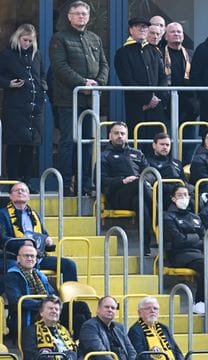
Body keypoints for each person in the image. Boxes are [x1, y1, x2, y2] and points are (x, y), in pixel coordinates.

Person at [50, 0, 108, 196]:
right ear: (69, 16)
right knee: (68, 143)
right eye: (77, 13)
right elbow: (60, 67)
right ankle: (66, 186)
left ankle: (85, 185)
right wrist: (83, 82)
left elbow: (104, 65)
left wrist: (97, 84)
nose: (81, 16)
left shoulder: (94, 38)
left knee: (88, 143)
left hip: (91, 101)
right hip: (68, 100)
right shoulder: (60, 38)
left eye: (84, 13)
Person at [0, 182, 78, 280]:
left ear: (28, 197)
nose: (20, 192)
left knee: (69, 265)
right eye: (16, 190)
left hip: (37, 257)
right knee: (19, 267)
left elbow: (43, 234)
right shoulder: (2, 214)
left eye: (23, 190)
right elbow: (2, 238)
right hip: (14, 257)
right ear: (10, 196)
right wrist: (23, 242)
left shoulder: (35, 214)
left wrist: (48, 240)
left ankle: (70, 294)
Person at [0, 23, 46, 185]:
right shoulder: (7, 55)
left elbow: (42, 75)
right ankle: (13, 183)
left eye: (30, 41)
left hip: (34, 108)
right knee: (14, 145)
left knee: (30, 146)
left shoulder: (37, 55)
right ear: (17, 38)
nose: (27, 44)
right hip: (15, 107)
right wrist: (8, 84)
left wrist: (43, 88)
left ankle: (25, 183)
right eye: (25, 40)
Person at [101, 122, 154, 255]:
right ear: (110, 136)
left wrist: (141, 180)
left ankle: (145, 245)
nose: (120, 136)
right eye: (116, 133)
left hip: (139, 192)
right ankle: (157, 212)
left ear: (127, 136)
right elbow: (100, 181)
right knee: (140, 185)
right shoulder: (105, 155)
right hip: (117, 195)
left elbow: (150, 174)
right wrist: (122, 181)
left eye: (122, 133)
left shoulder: (137, 153)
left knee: (140, 203)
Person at [164, 186, 208, 314]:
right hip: (178, 254)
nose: (183, 198)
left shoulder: (195, 217)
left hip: (197, 253)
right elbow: (178, 240)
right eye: (180, 195)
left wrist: (191, 239)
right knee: (207, 266)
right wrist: (195, 238)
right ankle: (198, 302)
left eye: (185, 195)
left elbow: (205, 239)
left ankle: (207, 301)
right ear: (173, 198)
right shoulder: (168, 217)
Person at [114, 17, 168, 133]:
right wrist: (147, 99)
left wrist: (157, 98)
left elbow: (163, 77)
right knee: (138, 141)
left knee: (157, 142)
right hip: (137, 106)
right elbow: (127, 80)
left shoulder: (154, 51)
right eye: (139, 27)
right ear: (131, 30)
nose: (143, 29)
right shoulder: (123, 52)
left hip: (156, 107)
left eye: (145, 27)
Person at [163, 22, 199, 161]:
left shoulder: (191, 54)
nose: (176, 34)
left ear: (183, 36)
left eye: (179, 32)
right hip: (168, 107)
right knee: (168, 143)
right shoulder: (160, 54)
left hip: (189, 107)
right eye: (172, 32)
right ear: (166, 36)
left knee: (189, 145)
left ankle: (186, 175)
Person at [79, 296, 137, 360]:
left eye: (113, 308)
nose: (110, 310)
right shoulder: (89, 326)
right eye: (106, 307)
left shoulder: (120, 327)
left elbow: (131, 351)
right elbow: (100, 353)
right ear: (98, 309)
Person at [22, 295, 78, 360]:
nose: (54, 311)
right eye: (50, 308)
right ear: (41, 312)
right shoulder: (30, 331)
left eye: (56, 309)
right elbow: (30, 356)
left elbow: (74, 351)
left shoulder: (65, 330)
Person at [147, 133, 192, 209]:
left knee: (194, 199)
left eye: (167, 145)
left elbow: (184, 181)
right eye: (162, 144)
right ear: (154, 145)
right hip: (162, 196)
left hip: (180, 194)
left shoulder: (177, 163)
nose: (165, 147)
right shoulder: (148, 162)